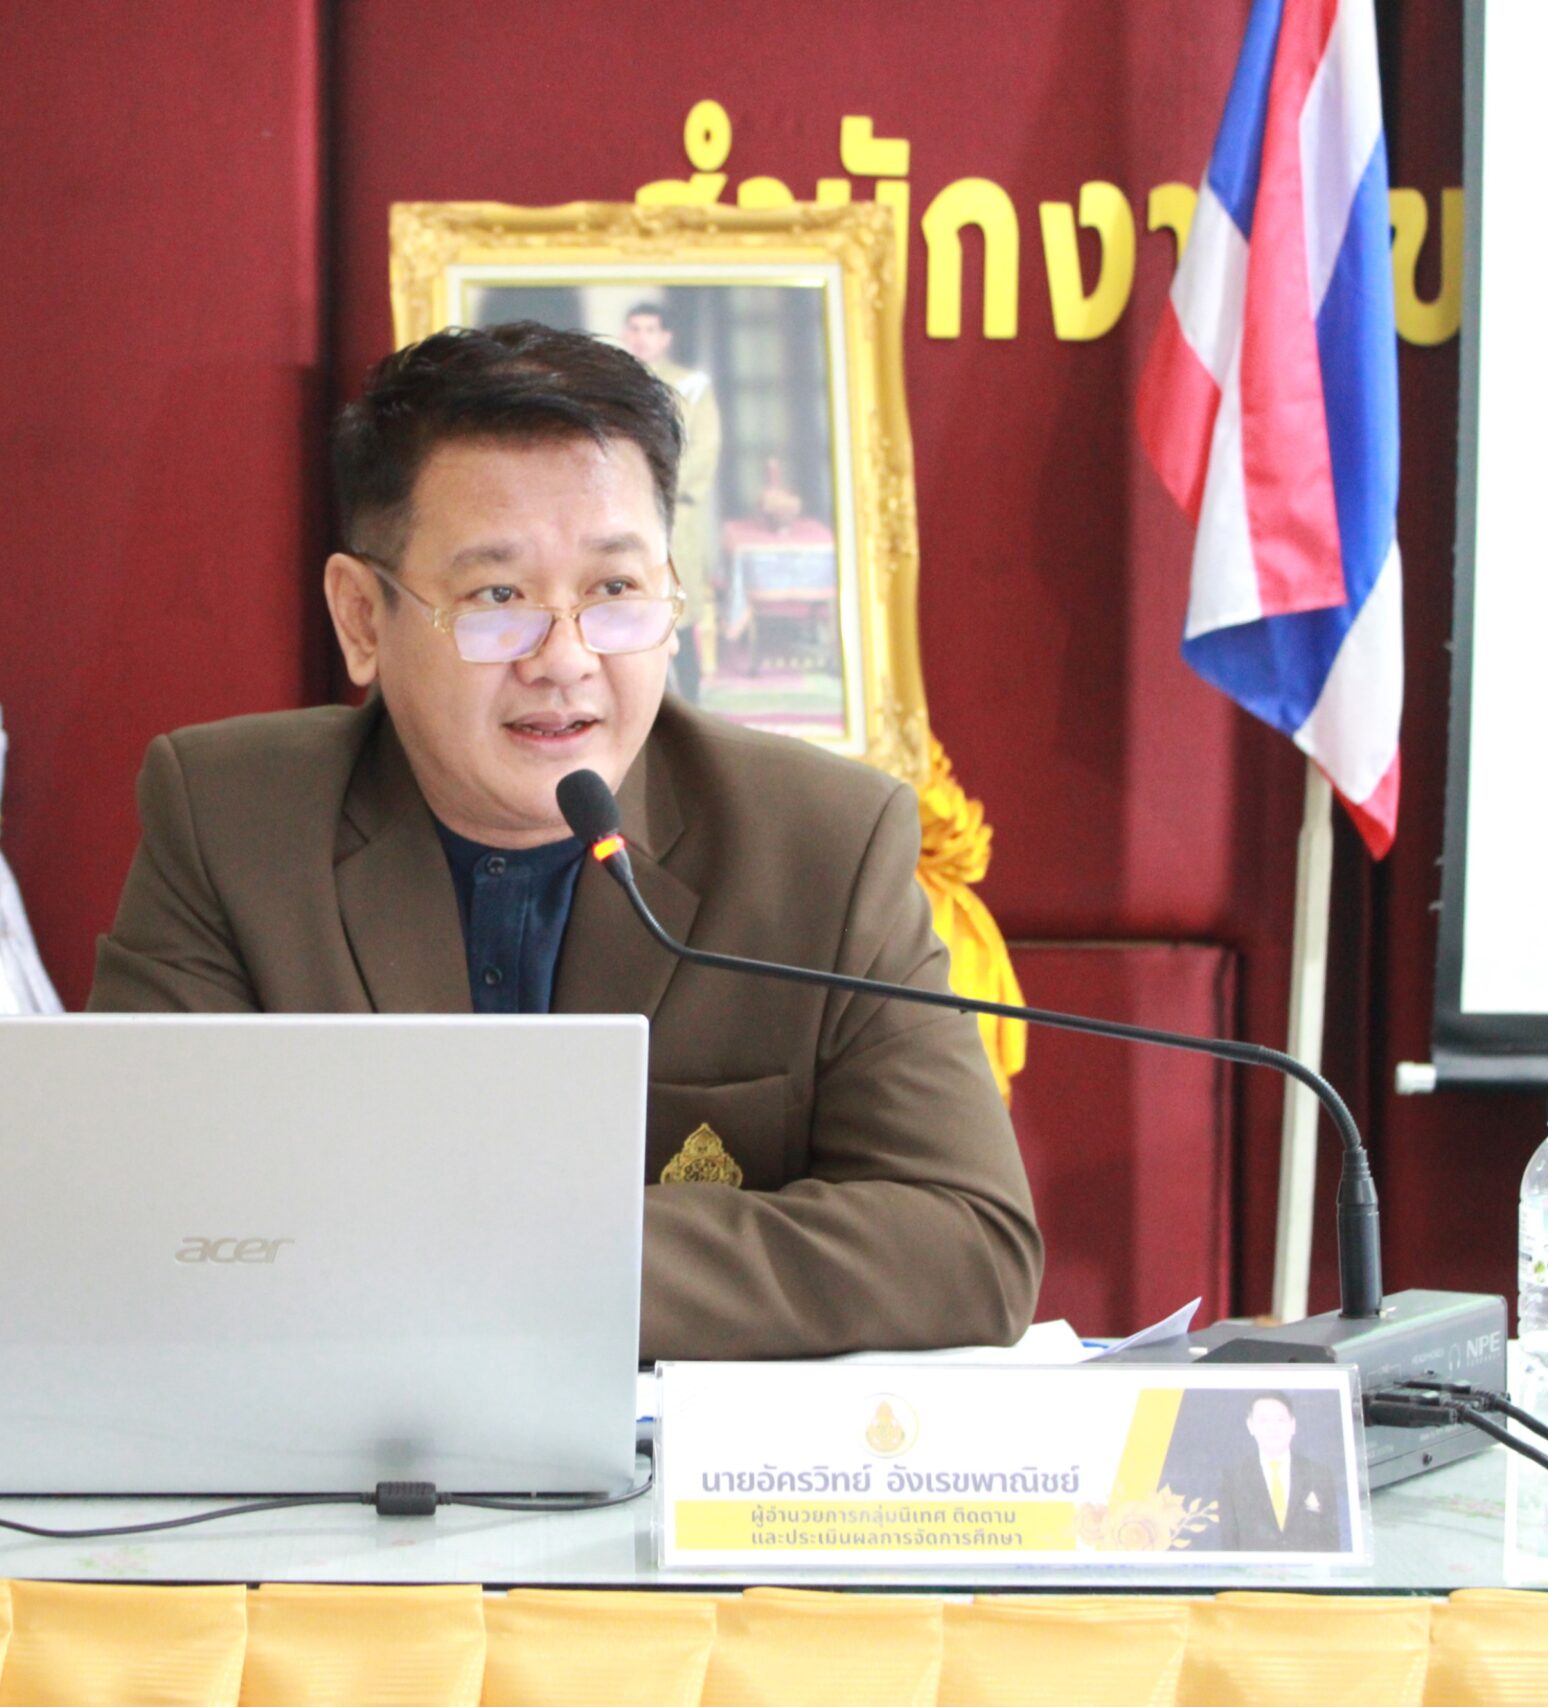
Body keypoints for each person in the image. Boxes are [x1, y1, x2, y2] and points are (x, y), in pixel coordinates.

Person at [89, 321, 1040, 1362]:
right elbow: (139, 1217)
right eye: (498, 598)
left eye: (614, 592)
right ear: (362, 619)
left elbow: (969, 1243)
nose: (566, 659)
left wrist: (535, 1259)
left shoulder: (823, 843)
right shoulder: (231, 822)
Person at [619, 303, 723, 695]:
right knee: (632, 609)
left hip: (675, 516)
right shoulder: (612, 386)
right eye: (635, 329)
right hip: (624, 514)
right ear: (626, 334)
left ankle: (691, 702)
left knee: (680, 612)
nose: (642, 337)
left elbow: (703, 451)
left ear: (665, 338)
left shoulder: (691, 387)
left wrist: (654, 488)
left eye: (650, 330)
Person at [1216, 1393, 1343, 1551]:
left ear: (1293, 1425)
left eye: (1280, 1420)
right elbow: (1229, 1540)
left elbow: (1331, 1539)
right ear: (1250, 1426)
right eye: (1264, 1420)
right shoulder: (1233, 1478)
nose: (1273, 1428)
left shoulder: (1319, 1474)